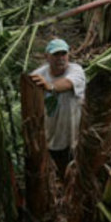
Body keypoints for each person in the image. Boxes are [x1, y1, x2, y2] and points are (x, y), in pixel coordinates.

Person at [30, 38, 86, 174]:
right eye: (56, 54)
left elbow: (67, 84)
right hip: (50, 134)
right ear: (47, 57)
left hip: (74, 133)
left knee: (75, 169)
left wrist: (49, 86)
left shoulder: (76, 71)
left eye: (63, 54)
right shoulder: (38, 75)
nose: (61, 58)